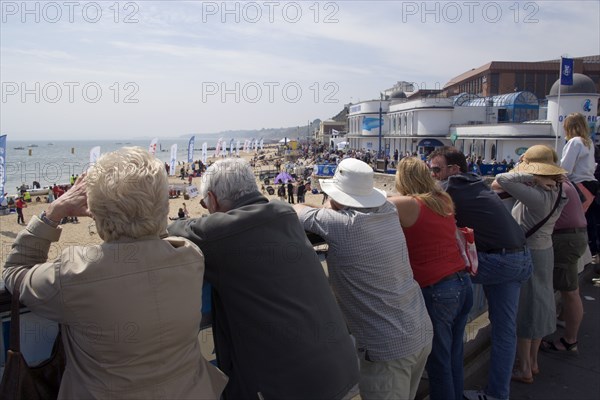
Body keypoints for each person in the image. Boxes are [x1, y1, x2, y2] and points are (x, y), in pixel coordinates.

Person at [3, 147, 227, 399]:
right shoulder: (189, 257)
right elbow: (153, 242)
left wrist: (53, 212)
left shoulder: (75, 274)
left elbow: (14, 271)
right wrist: (145, 211)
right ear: (163, 205)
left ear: (94, 212)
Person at [168, 158, 359, 400]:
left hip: (291, 388)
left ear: (213, 200)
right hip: (341, 370)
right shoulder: (283, 213)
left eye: (205, 203)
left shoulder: (217, 232)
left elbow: (174, 230)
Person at [294, 158, 433, 400]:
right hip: (419, 329)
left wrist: (329, 205)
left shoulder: (341, 225)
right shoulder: (388, 212)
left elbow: (297, 211)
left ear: (337, 197)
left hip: (387, 349)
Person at [429, 147, 533, 400]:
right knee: (504, 330)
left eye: (435, 170)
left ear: (453, 170)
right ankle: (498, 394)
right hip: (520, 257)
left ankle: (440, 367)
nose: (432, 175)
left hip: (497, 262)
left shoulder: (451, 186)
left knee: (440, 283)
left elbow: (414, 201)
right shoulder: (476, 181)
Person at [389, 157, 473, 400]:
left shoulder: (408, 203)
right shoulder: (442, 199)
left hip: (438, 290)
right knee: (453, 357)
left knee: (439, 364)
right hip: (461, 283)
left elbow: (372, 205)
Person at [491, 145, 568, 384]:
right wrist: (537, 176)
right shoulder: (559, 189)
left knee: (526, 310)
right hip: (546, 250)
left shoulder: (537, 196)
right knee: (540, 304)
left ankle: (524, 366)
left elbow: (501, 178)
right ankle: (533, 361)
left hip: (531, 252)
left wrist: (530, 175)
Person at [540, 179, 588, 352]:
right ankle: (567, 331)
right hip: (576, 235)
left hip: (565, 239)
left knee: (568, 291)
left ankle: (570, 340)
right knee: (570, 289)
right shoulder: (566, 181)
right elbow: (586, 199)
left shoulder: (551, 184)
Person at [560, 112, 600, 262]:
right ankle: (590, 256)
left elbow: (566, 169)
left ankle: (581, 258)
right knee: (587, 222)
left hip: (579, 185)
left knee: (574, 222)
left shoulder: (574, 142)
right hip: (591, 185)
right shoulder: (588, 142)